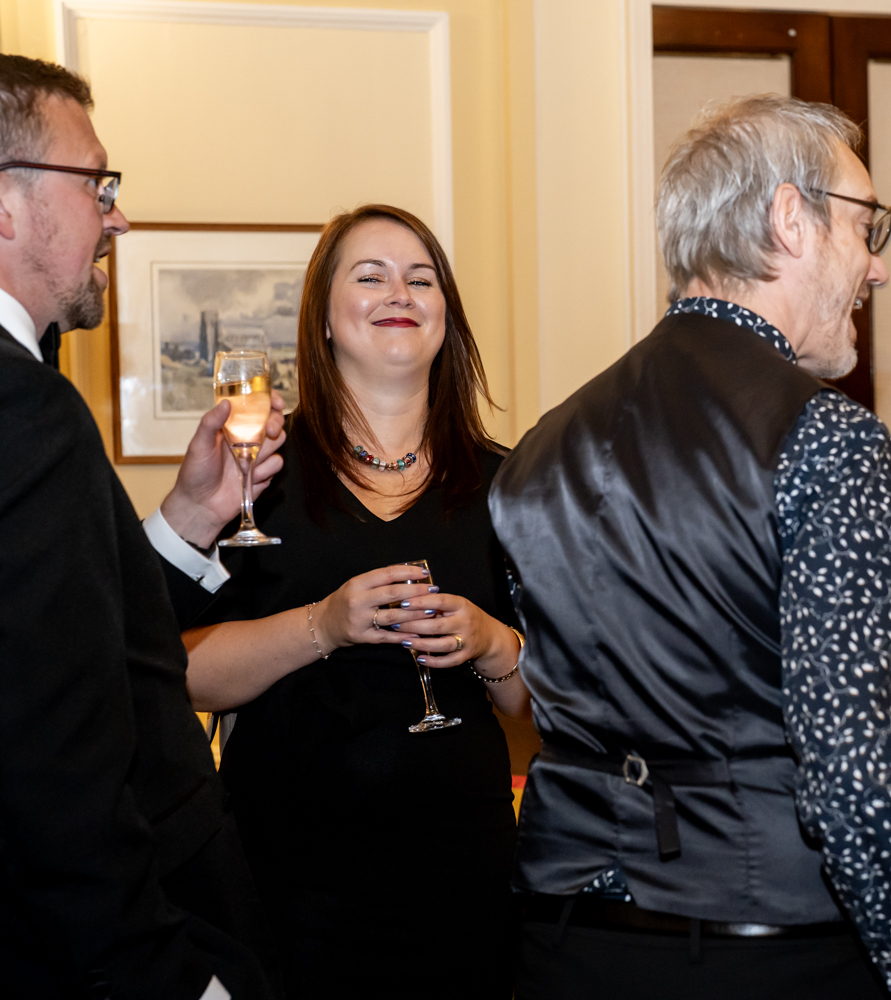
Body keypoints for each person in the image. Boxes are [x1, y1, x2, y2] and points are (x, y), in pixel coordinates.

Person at [490, 95, 891, 1000]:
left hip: (561, 937)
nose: (879, 266)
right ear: (790, 219)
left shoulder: (542, 446)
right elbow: (861, 784)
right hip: (759, 944)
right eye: (864, 226)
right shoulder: (828, 440)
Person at [155, 204, 526, 999]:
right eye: (371, 276)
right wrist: (321, 626)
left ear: (447, 318)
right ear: (322, 319)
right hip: (291, 894)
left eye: (421, 279)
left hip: (466, 887)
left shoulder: (510, 485)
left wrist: (493, 641)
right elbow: (179, 672)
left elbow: (545, 703)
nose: (400, 293)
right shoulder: (254, 481)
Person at [0, 54, 277, 999]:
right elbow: (57, 764)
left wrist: (191, 517)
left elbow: (66, 639)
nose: (118, 217)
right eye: (97, 183)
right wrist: (172, 979)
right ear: (7, 203)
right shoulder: (25, 408)